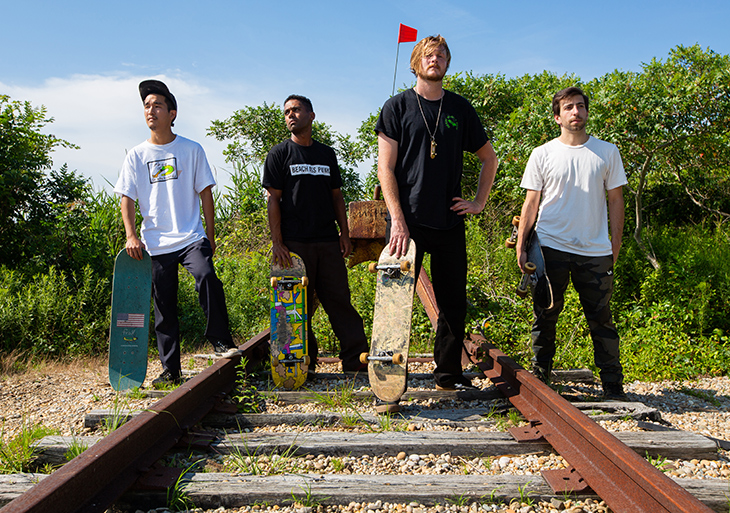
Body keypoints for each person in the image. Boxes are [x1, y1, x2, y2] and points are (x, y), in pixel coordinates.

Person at [375, 35, 498, 392]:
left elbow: (488, 158)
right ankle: (387, 379)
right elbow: (385, 169)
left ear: (447, 63)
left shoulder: (460, 109)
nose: (436, 59)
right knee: (394, 303)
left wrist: (479, 202)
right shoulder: (396, 107)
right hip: (406, 222)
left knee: (453, 301)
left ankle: (447, 375)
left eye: (442, 54)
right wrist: (397, 219)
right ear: (416, 62)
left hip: (448, 220)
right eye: (429, 54)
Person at [115, 79, 240, 388]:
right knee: (164, 307)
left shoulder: (191, 149)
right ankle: (171, 369)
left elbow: (206, 193)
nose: (150, 111)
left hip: (190, 237)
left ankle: (221, 340)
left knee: (206, 276)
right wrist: (132, 236)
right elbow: (126, 199)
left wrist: (210, 234)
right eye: (146, 106)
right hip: (155, 243)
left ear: (172, 113)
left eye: (157, 105)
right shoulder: (136, 155)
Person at [516, 86, 627, 401]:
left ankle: (613, 388)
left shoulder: (607, 152)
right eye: (568, 108)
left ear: (587, 112)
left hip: (595, 251)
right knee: (545, 315)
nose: (576, 112)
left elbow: (616, 200)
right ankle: (541, 381)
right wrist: (523, 245)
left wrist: (614, 244)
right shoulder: (543, 153)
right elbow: (531, 203)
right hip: (550, 247)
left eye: (580, 106)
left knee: (601, 319)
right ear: (557, 116)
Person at [262, 95, 369, 378]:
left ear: (311, 116)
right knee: (296, 307)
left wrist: (344, 234)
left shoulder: (326, 155)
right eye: (286, 112)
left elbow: (337, 196)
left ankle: (355, 361)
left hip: (327, 242)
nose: (290, 115)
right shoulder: (279, 154)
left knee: (339, 301)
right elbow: (274, 200)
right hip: (295, 245)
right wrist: (278, 243)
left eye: (296, 110)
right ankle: (299, 365)